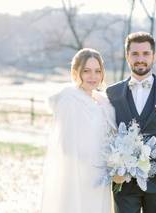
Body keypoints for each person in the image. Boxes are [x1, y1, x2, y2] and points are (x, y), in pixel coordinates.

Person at [106, 32, 156, 213]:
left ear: (154, 56)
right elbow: (105, 136)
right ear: (127, 56)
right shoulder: (112, 93)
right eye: (135, 53)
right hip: (123, 183)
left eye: (145, 53)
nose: (140, 59)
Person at [41, 48, 116, 213]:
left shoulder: (103, 102)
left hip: (101, 175)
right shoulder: (70, 100)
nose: (93, 76)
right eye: (86, 71)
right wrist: (88, 163)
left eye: (97, 71)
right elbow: (66, 144)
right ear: (76, 72)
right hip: (79, 174)